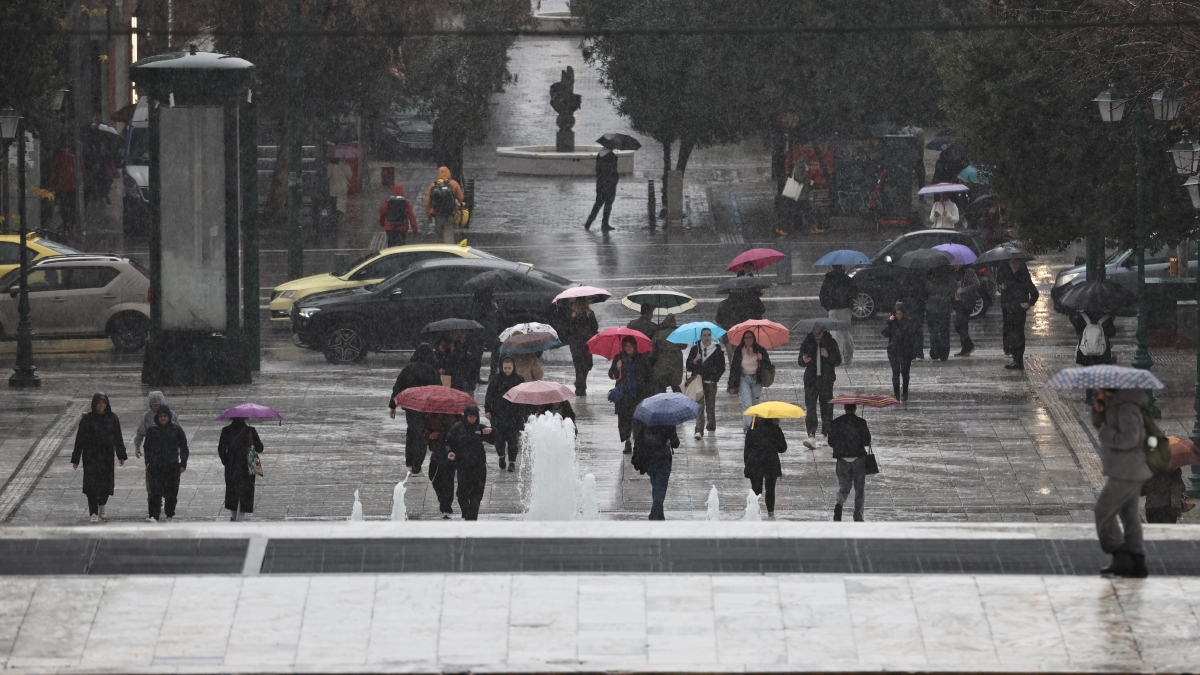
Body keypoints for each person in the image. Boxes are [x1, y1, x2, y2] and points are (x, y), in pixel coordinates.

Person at [1090, 388, 1153, 577]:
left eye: (1102, 388)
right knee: (1129, 514)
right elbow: (1101, 424)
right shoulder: (1117, 406)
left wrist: (1107, 433)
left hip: (1126, 471)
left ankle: (1121, 555)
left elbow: (1130, 439)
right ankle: (1136, 559)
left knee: (1103, 511)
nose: (1099, 390)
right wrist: (1099, 411)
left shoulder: (1126, 409)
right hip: (1128, 469)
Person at [71, 393, 126, 523]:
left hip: (106, 456)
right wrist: (76, 458)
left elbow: (118, 438)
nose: (101, 406)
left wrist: (121, 455)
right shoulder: (87, 420)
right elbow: (80, 439)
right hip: (91, 456)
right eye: (99, 403)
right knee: (91, 485)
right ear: (95, 404)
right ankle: (93, 512)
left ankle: (102, 503)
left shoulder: (112, 419)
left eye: (103, 403)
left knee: (105, 483)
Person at [390, 343, 440, 475]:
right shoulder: (431, 370)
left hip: (411, 407)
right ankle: (417, 464)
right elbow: (438, 390)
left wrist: (392, 405)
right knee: (423, 434)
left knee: (412, 432)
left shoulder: (408, 369)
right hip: (426, 408)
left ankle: (409, 461)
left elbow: (398, 386)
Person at [445, 405, 495, 521]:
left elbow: (494, 439)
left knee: (477, 494)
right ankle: (467, 512)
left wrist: (492, 431)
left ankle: (472, 518)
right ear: (466, 416)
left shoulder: (480, 428)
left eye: (474, 417)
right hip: (463, 466)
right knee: (462, 493)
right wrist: (450, 452)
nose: (472, 419)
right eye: (470, 417)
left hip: (479, 466)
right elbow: (448, 441)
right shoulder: (458, 427)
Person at [142, 405, 188, 522]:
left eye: (165, 416)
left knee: (171, 493)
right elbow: (147, 447)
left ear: (169, 417)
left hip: (172, 466)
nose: (163, 418)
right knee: (155, 493)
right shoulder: (152, 430)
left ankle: (169, 515)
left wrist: (183, 463)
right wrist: (148, 462)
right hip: (156, 467)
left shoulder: (176, 429)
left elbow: (184, 446)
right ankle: (154, 516)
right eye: (161, 416)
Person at [827, 403, 871, 521]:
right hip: (859, 459)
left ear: (844, 408)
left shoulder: (836, 422)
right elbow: (867, 441)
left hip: (842, 459)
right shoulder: (861, 422)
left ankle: (839, 504)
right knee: (859, 488)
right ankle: (858, 514)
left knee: (844, 487)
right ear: (855, 409)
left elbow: (830, 442)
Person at [799, 327, 841, 447]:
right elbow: (800, 360)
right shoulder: (807, 342)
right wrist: (803, 360)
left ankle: (826, 434)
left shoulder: (831, 342)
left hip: (826, 381)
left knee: (827, 408)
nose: (817, 334)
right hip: (811, 381)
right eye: (815, 331)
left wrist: (828, 356)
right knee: (811, 408)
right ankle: (811, 434)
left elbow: (837, 360)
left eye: (819, 332)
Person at [609, 336, 651, 453]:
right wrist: (617, 368)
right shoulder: (618, 358)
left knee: (637, 420)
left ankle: (637, 441)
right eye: (626, 346)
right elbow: (611, 374)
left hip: (638, 395)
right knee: (624, 421)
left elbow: (648, 374)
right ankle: (627, 442)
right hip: (623, 396)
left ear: (634, 347)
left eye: (630, 346)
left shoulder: (642, 358)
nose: (628, 348)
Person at [217, 417, 263, 521]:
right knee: (245, 494)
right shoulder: (251, 431)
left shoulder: (226, 430)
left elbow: (221, 449)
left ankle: (234, 517)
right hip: (247, 465)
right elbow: (260, 448)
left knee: (232, 492)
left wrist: (226, 461)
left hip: (231, 466)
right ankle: (240, 519)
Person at [485, 356, 526, 472]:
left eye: (509, 368)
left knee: (513, 440)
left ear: (513, 368)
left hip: (514, 414)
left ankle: (512, 462)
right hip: (498, 414)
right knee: (499, 439)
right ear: (501, 368)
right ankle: (501, 456)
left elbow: (524, 397)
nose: (507, 370)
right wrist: (487, 410)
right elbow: (489, 395)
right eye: (505, 368)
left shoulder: (519, 380)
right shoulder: (496, 379)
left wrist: (525, 413)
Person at [631, 423, 679, 520]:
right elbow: (675, 443)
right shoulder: (668, 421)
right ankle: (655, 514)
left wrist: (636, 458)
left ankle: (659, 514)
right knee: (660, 488)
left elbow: (639, 440)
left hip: (650, 460)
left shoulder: (646, 422)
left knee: (656, 486)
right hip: (664, 460)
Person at [998, 259, 1038, 370]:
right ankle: (1015, 358)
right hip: (1008, 309)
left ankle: (1018, 359)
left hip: (1018, 311)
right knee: (1011, 334)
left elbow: (1034, 293)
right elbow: (1003, 292)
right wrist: (1003, 288)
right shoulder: (1007, 277)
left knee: (1018, 335)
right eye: (1012, 263)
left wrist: (1028, 304)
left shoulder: (1023, 278)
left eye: (1016, 263)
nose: (1014, 265)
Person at [728, 330, 772, 433]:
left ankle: (755, 426)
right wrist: (732, 385)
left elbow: (768, 365)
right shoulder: (739, 351)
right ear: (743, 339)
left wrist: (762, 358)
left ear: (754, 339)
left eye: (751, 337)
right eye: (746, 337)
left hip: (757, 379)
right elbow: (734, 368)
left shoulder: (760, 350)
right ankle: (748, 429)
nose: (748, 339)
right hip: (744, 379)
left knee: (755, 404)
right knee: (746, 404)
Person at [686, 327, 725, 440]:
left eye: (709, 335)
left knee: (710, 405)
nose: (707, 337)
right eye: (704, 335)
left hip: (711, 382)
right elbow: (688, 366)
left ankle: (711, 425)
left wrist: (714, 377)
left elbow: (721, 367)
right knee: (699, 406)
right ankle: (698, 430)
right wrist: (695, 360)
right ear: (701, 336)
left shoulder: (717, 350)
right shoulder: (695, 349)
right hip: (698, 382)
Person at [1070, 310, 1116, 405]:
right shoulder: (1106, 317)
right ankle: (1096, 395)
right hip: (1102, 352)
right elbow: (1112, 332)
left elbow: (1077, 328)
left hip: (1086, 352)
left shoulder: (1082, 316)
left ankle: (1089, 397)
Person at [743, 417, 786, 517]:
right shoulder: (775, 429)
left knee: (755, 490)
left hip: (755, 462)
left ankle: (753, 512)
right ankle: (771, 513)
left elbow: (747, 448)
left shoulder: (752, 428)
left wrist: (747, 463)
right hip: (771, 462)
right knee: (770, 489)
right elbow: (783, 448)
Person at [819, 264, 857, 363]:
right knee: (846, 332)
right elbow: (855, 293)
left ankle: (837, 355)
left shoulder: (828, 280)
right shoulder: (847, 279)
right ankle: (848, 355)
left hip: (833, 309)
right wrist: (849, 304)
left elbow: (822, 296)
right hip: (845, 309)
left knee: (835, 333)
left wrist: (828, 306)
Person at [423, 412, 459, 518]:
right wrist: (430, 435)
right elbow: (423, 430)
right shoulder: (431, 416)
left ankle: (446, 505)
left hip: (450, 454)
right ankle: (442, 498)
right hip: (437, 453)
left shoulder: (456, 416)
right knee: (434, 477)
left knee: (448, 481)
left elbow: (463, 431)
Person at [562, 298, 598, 396]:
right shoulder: (590, 314)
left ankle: (580, 384)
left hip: (575, 344)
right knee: (586, 364)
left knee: (578, 364)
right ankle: (581, 384)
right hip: (587, 342)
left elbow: (567, 329)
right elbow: (595, 327)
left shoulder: (571, 315)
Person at [882, 302, 917, 401]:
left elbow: (913, 336)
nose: (898, 316)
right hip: (894, 351)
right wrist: (889, 321)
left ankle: (905, 393)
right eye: (897, 314)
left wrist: (913, 351)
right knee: (896, 373)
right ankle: (897, 394)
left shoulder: (909, 322)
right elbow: (884, 333)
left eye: (900, 314)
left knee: (905, 373)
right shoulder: (891, 323)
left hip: (905, 351)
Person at [425, 166, 464, 244]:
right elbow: (461, 198)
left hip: (437, 213)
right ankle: (449, 251)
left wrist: (428, 214)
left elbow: (428, 201)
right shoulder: (453, 184)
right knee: (448, 233)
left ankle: (440, 251)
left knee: (439, 234)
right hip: (450, 213)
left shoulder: (433, 185)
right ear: (448, 173)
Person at [583, 148, 619, 231]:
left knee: (599, 203)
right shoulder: (611, 156)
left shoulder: (600, 154)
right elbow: (612, 170)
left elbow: (599, 169)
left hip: (600, 183)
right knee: (608, 203)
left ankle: (589, 222)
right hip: (609, 183)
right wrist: (615, 160)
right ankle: (604, 224)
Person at [924, 268, 956, 362]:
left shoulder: (929, 276)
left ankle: (935, 351)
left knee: (934, 330)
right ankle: (944, 353)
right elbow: (953, 288)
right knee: (944, 330)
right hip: (945, 305)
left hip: (932, 305)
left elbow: (926, 289)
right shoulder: (948, 276)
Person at [133, 391, 176, 457]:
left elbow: (179, 432)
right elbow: (140, 432)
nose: (156, 407)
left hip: (169, 448)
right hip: (152, 449)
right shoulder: (146, 416)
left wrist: (179, 446)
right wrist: (137, 447)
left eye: (158, 404)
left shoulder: (171, 414)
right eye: (154, 405)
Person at [650, 315, 684, 394]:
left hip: (661, 366)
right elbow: (684, 346)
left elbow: (652, 345)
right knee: (676, 388)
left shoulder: (659, 333)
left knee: (660, 389)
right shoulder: (678, 333)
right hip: (676, 365)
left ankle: (661, 404)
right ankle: (679, 404)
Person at [48, 148, 78, 235]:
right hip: (73, 188)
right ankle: (72, 224)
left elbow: (53, 173)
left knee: (64, 206)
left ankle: (66, 223)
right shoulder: (75, 158)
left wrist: (53, 186)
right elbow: (82, 172)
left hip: (62, 188)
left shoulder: (58, 159)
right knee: (72, 207)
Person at [953, 264, 980, 356]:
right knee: (962, 325)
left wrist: (963, 290)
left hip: (967, 301)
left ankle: (969, 345)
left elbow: (976, 284)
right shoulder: (955, 273)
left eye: (956, 264)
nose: (954, 266)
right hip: (959, 301)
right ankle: (965, 348)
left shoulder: (969, 271)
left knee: (958, 324)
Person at [900, 271, 927, 360]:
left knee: (910, 332)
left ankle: (913, 353)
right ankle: (919, 353)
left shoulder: (906, 279)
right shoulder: (922, 279)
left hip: (910, 309)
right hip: (918, 308)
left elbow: (902, 293)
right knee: (918, 332)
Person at [326, 157, 352, 241]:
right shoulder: (346, 165)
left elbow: (327, 176)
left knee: (334, 204)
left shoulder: (330, 166)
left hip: (333, 188)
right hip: (343, 187)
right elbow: (349, 176)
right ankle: (338, 218)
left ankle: (334, 220)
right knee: (341, 204)